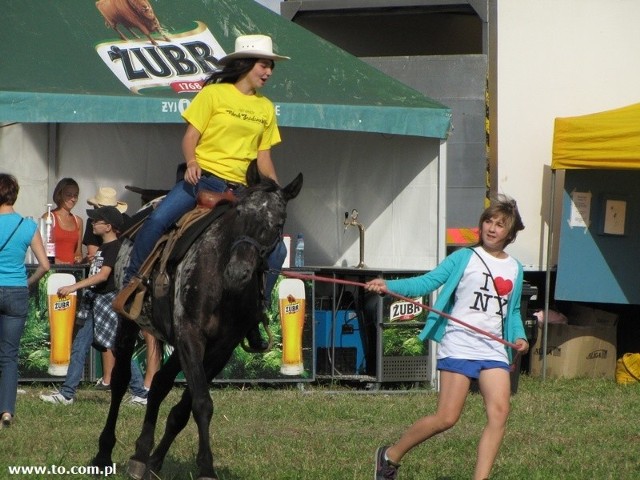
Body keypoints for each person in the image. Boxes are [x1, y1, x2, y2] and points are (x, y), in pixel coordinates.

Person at [118, 34, 290, 351]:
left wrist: (275, 194)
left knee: (277, 250)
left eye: (271, 67)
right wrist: (192, 160)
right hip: (201, 182)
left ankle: (254, 312)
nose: (268, 71)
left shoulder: (266, 108)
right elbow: (190, 136)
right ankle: (132, 285)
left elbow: (263, 158)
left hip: (240, 191)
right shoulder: (213, 95)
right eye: (264, 65)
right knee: (157, 222)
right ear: (247, 64)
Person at [365, 195, 529, 480]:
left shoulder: (515, 268)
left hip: (492, 348)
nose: (491, 228)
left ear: (510, 234)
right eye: (488, 221)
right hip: (459, 343)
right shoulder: (465, 257)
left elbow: (512, 311)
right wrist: (387, 285)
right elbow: (428, 281)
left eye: (500, 225)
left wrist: (520, 336)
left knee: (500, 413)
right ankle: (390, 455)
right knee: (447, 418)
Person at [39, 206, 139, 405]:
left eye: (97, 221)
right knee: (80, 346)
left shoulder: (114, 247)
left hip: (107, 304)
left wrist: (73, 286)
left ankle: (141, 392)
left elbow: (102, 276)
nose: (92, 223)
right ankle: (67, 394)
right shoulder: (103, 248)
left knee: (119, 348)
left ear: (108, 226)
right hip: (96, 303)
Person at [83, 188, 160, 403]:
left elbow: (109, 270)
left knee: (133, 338)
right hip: (121, 286)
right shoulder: (112, 232)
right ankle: (130, 384)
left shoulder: (127, 231)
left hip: (125, 286)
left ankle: (143, 385)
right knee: (115, 340)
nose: (94, 218)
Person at [0, 174, 50, 427]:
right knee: (9, 356)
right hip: (16, 291)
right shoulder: (27, 225)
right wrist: (27, 283)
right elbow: (44, 265)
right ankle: (6, 411)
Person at [41, 178, 83, 264]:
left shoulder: (78, 221)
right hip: (52, 270)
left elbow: (78, 253)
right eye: (69, 195)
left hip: (71, 272)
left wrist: (80, 259)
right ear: (59, 195)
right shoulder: (49, 217)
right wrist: (55, 261)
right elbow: (40, 248)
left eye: (75, 195)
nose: (73, 199)